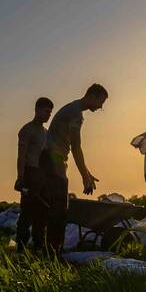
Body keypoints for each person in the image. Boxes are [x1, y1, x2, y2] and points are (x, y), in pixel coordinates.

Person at [40, 84, 108, 255]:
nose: (101, 107)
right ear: (93, 95)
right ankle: (53, 253)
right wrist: (84, 176)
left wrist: (87, 172)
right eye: (101, 102)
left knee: (55, 206)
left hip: (53, 159)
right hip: (53, 159)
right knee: (59, 208)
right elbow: (76, 147)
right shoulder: (75, 114)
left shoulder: (72, 109)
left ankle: (49, 249)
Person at [15, 97, 54, 252]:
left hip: (44, 176)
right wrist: (20, 177)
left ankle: (39, 245)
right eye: (46, 111)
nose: (48, 115)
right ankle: (21, 246)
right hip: (31, 173)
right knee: (27, 211)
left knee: (42, 213)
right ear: (37, 109)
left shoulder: (46, 133)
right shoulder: (26, 130)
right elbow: (21, 156)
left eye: (50, 112)